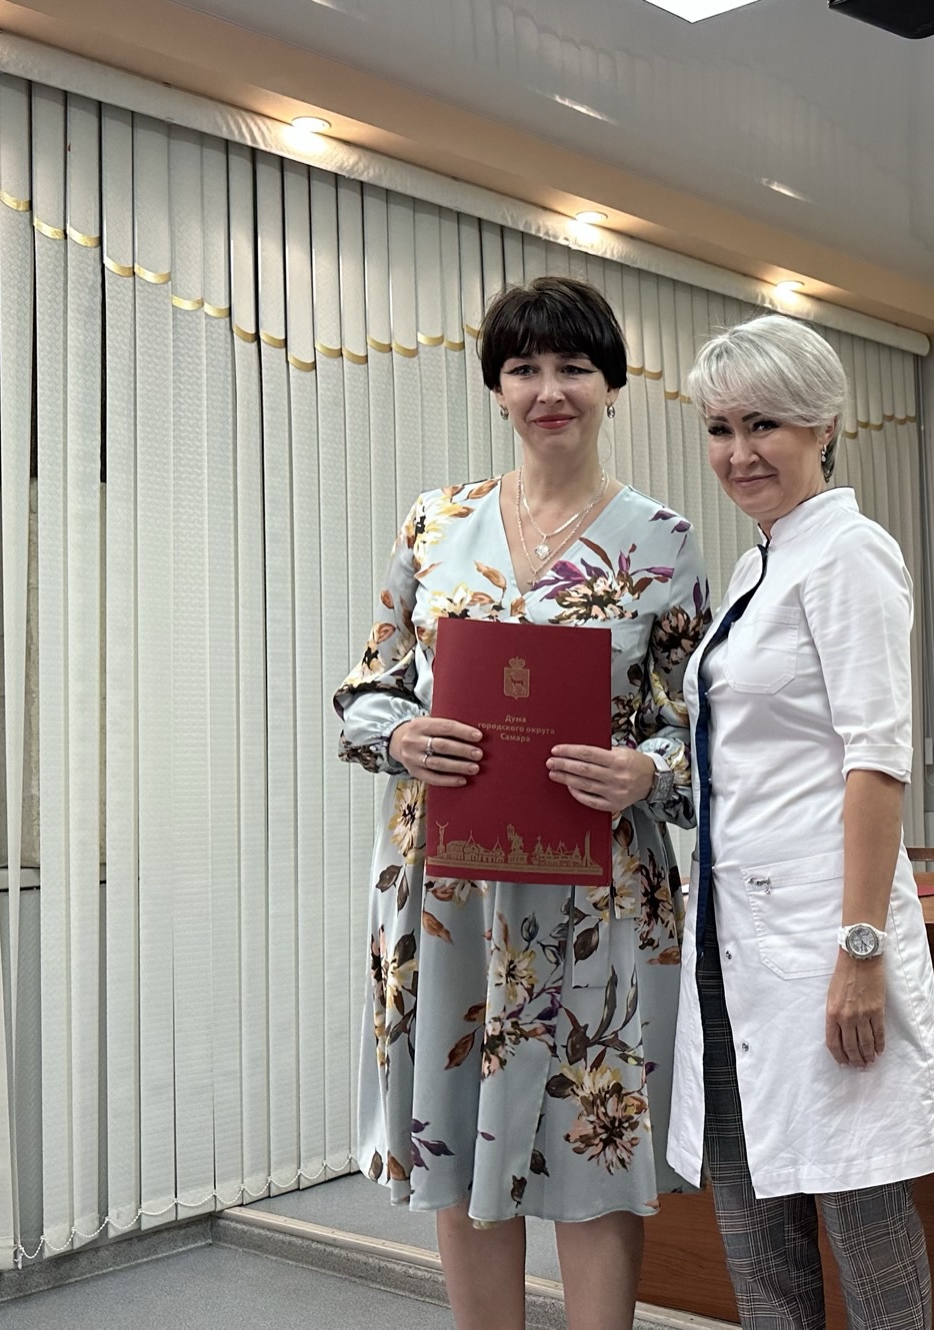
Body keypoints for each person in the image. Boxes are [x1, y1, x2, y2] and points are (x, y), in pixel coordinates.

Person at [334, 275, 711, 1330]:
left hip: (597, 893)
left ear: (612, 385)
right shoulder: (435, 522)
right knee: (457, 1138)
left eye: (573, 367)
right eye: (524, 368)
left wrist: (647, 772)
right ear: (497, 388)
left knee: (595, 1137)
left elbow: (701, 731)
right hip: (449, 888)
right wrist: (400, 736)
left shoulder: (662, 540)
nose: (550, 389)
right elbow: (368, 691)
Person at [669, 315, 934, 1330]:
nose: (738, 453)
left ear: (824, 425)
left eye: (764, 425)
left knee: (860, 1210)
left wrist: (859, 949)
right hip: (733, 940)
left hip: (817, 941)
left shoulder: (848, 553)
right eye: (719, 429)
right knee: (753, 1219)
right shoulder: (758, 566)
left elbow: (876, 762)